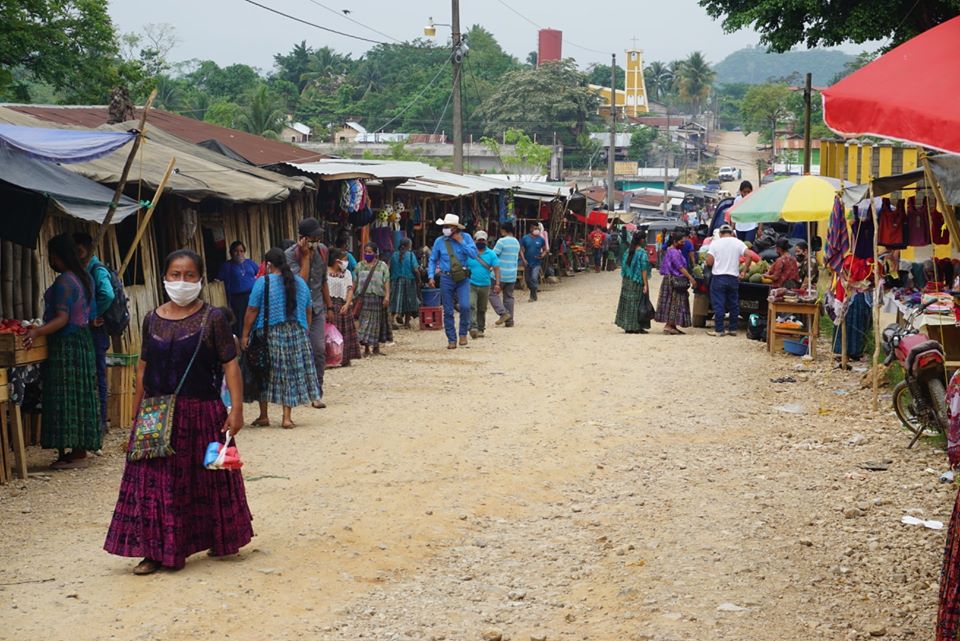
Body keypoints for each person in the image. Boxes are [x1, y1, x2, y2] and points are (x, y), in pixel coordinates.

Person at [104, 249, 251, 575]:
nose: (181, 281)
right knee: (155, 484)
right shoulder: (152, 318)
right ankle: (155, 552)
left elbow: (230, 365)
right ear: (164, 277)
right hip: (157, 413)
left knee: (214, 478)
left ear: (200, 279)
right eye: (175, 275)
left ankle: (221, 537)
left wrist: (236, 409)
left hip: (204, 413)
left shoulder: (212, 318)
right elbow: (143, 369)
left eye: (189, 275)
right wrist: (136, 416)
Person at [25, 234, 99, 469]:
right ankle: (77, 450)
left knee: (67, 395)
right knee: (79, 394)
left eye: (51, 256)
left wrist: (37, 332)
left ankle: (76, 453)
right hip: (82, 341)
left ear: (57, 257)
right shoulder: (82, 278)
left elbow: (62, 318)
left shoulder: (65, 282)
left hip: (66, 345)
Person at [242, 248, 319, 429]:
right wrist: (305, 331)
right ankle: (286, 418)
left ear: (268, 265)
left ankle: (263, 416)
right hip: (296, 334)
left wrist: (245, 334)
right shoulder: (300, 282)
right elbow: (308, 310)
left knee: (263, 370)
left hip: (269, 333)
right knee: (289, 374)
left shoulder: (263, 282)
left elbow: (252, 310)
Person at [285, 218, 333, 410]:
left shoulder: (323, 251)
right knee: (298, 352)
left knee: (319, 350)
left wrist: (330, 307)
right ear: (303, 238)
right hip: (298, 310)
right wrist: (304, 257)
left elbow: (323, 281)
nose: (316, 240)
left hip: (318, 308)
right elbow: (300, 283)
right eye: (312, 237)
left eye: (317, 237)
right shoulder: (290, 255)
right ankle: (297, 391)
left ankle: (316, 392)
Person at [73, 232, 115, 435]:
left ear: (88, 248)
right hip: (89, 328)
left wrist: (95, 314)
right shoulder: (83, 269)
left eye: (80, 249)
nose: (77, 253)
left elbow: (107, 294)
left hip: (96, 329)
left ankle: (101, 421)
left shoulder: (96, 269)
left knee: (99, 373)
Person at [427, 214, 479, 349]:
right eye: (444, 226)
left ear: (455, 228)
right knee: (448, 310)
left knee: (465, 306)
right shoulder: (439, 241)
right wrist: (431, 276)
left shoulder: (466, 238)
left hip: (463, 278)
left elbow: (474, 255)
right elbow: (433, 259)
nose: (445, 229)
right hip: (446, 278)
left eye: (447, 226)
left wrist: (461, 241)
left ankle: (463, 334)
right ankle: (451, 339)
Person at [705, 224, 751, 337]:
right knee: (733, 304)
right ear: (732, 233)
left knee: (719, 304)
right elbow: (749, 255)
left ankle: (719, 330)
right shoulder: (738, 242)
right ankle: (733, 329)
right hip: (733, 278)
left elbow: (709, 262)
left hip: (719, 278)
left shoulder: (715, 244)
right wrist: (744, 271)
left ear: (720, 234)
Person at [654, 233, 697, 335]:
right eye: (681, 242)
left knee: (674, 302)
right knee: (674, 302)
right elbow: (680, 267)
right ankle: (669, 325)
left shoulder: (674, 250)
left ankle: (672, 325)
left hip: (671, 280)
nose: (683, 244)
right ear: (675, 241)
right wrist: (691, 278)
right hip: (674, 281)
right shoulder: (674, 252)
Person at [354, 242, 391, 356]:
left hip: (377, 298)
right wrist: (350, 296)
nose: (367, 254)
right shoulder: (359, 266)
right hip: (364, 299)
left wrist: (387, 296)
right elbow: (355, 282)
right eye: (365, 252)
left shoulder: (382, 266)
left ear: (375, 253)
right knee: (364, 323)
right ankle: (366, 348)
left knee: (376, 323)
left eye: (369, 252)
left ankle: (376, 347)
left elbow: (386, 281)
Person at [327, 249, 361, 366]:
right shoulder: (325, 272)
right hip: (329, 305)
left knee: (344, 333)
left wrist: (347, 304)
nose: (346, 262)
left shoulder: (347, 273)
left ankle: (344, 358)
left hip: (343, 305)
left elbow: (350, 289)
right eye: (345, 260)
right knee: (329, 334)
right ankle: (330, 359)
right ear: (337, 261)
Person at [217, 241, 259, 334]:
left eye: (241, 251)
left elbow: (259, 273)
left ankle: (254, 339)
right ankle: (241, 341)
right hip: (237, 299)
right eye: (236, 251)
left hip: (252, 295)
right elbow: (218, 280)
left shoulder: (250, 263)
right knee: (240, 321)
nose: (239, 253)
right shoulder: (227, 266)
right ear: (231, 253)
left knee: (253, 317)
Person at [615, 232, 653, 334]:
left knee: (627, 303)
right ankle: (636, 327)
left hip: (627, 280)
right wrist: (645, 284)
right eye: (644, 239)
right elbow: (644, 269)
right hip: (637, 281)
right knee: (637, 303)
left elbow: (624, 266)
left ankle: (627, 326)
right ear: (641, 240)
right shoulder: (642, 253)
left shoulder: (628, 251)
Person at [465, 231, 500, 339]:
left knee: (482, 308)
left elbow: (497, 269)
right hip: (471, 283)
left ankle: (481, 328)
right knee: (471, 305)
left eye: (483, 240)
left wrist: (497, 284)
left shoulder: (491, 254)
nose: (481, 242)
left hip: (485, 284)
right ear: (474, 241)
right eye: (479, 240)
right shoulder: (469, 253)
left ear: (486, 241)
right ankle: (473, 327)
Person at [489, 222, 520, 327]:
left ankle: (503, 313)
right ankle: (510, 321)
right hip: (512, 274)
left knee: (492, 293)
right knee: (509, 297)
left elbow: (493, 255)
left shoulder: (501, 241)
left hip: (500, 274)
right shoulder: (516, 242)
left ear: (503, 230)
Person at [389, 238, 420, 329]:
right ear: (409, 245)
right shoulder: (411, 255)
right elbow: (415, 269)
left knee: (394, 300)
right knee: (409, 301)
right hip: (409, 281)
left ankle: (391, 321)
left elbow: (389, 268)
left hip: (395, 280)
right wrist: (419, 279)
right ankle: (407, 323)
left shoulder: (394, 255)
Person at [520, 224, 547, 301]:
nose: (537, 230)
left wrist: (542, 255)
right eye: (535, 228)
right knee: (528, 280)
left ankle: (532, 295)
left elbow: (545, 250)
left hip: (537, 262)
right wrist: (523, 259)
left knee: (534, 278)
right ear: (531, 229)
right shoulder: (525, 238)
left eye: (538, 229)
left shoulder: (541, 239)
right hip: (527, 262)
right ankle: (534, 292)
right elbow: (521, 250)